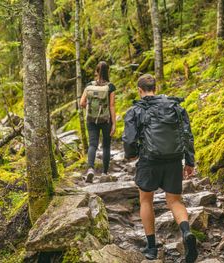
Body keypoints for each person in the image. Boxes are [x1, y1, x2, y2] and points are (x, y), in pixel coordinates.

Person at [122, 74, 198, 262]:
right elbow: (187, 134)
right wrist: (189, 161)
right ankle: (186, 232)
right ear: (155, 87)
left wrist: (131, 154)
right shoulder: (175, 107)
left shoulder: (135, 110)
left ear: (140, 90)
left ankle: (151, 247)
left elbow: (130, 139)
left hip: (149, 160)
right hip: (173, 159)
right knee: (175, 201)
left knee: (146, 200)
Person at [80, 61, 116, 183]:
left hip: (91, 119)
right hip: (106, 120)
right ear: (108, 71)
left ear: (96, 71)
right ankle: (105, 173)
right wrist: (114, 123)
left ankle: (90, 169)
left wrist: (92, 109)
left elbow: (82, 103)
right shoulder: (110, 87)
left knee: (92, 144)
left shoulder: (89, 85)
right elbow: (111, 106)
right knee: (106, 146)